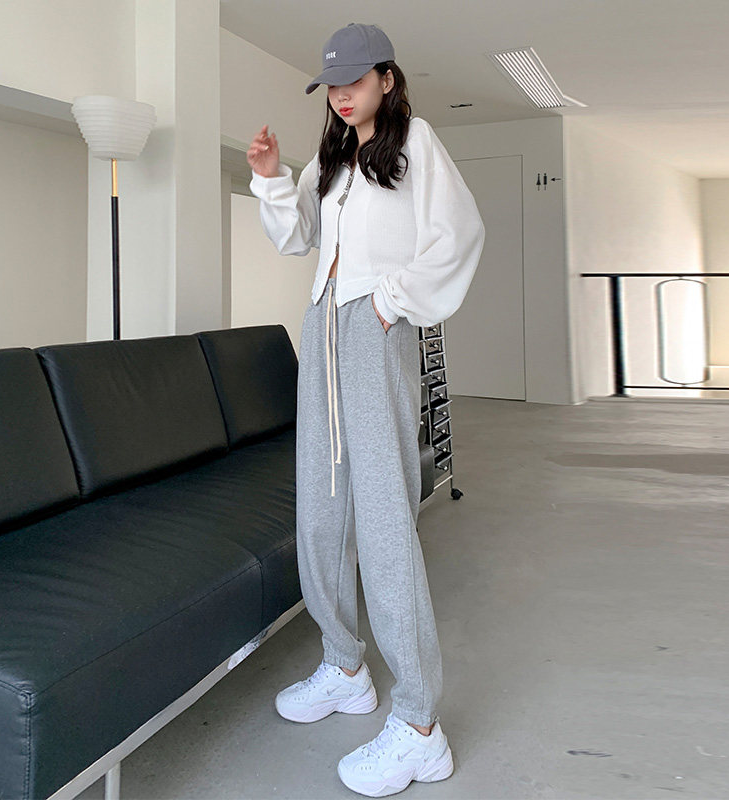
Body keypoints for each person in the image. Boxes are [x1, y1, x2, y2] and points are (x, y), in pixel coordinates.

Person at [246, 22, 485, 798]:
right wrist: (272, 179)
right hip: (321, 324)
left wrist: (390, 301)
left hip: (373, 326)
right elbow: (298, 238)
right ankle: (345, 666)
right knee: (321, 510)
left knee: (383, 519)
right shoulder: (334, 158)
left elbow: (459, 234)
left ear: (386, 77)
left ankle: (419, 726)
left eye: (354, 80)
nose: (342, 95)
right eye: (332, 86)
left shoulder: (416, 144)